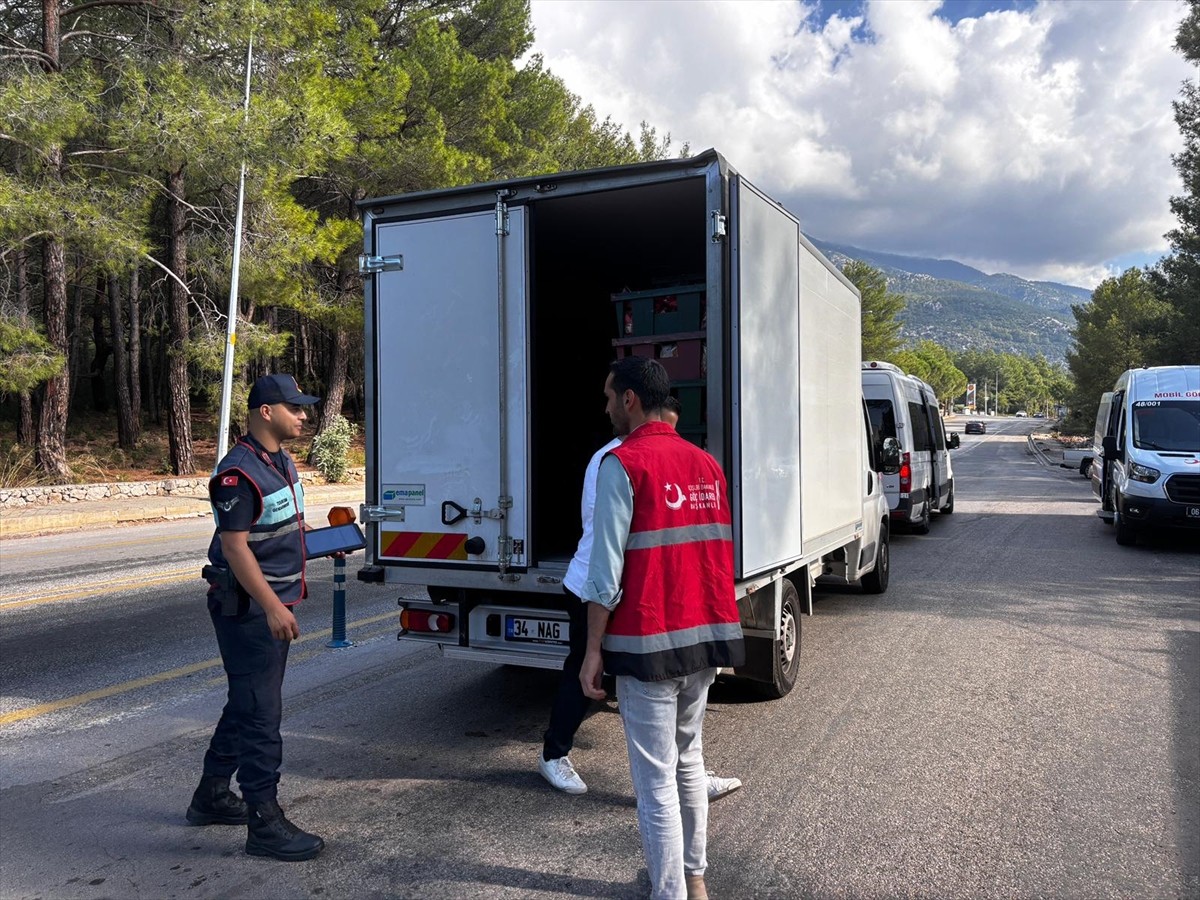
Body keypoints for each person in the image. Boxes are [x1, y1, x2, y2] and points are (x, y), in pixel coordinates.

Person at [580, 358, 745, 900]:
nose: (605, 408)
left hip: (647, 643)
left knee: (655, 783)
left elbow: (605, 575)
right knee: (689, 761)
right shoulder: (707, 465)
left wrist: (592, 651)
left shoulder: (622, 464)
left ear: (630, 399)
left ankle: (670, 892)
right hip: (702, 638)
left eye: (608, 397)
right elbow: (716, 556)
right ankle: (694, 879)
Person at [539, 398, 741, 804]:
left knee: (673, 688)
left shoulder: (659, 459)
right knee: (585, 674)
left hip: (633, 589)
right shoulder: (614, 461)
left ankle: (690, 772)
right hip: (594, 587)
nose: (672, 435)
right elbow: (608, 545)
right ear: (648, 414)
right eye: (667, 424)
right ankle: (554, 754)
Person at [185, 374, 325, 862]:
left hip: (270, 605)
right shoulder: (237, 472)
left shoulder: (279, 462)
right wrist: (271, 606)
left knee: (246, 702)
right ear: (266, 411)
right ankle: (264, 822)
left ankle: (211, 795)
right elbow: (234, 547)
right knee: (262, 714)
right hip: (248, 611)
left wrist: (328, 539)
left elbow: (280, 527)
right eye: (295, 408)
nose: (304, 416)